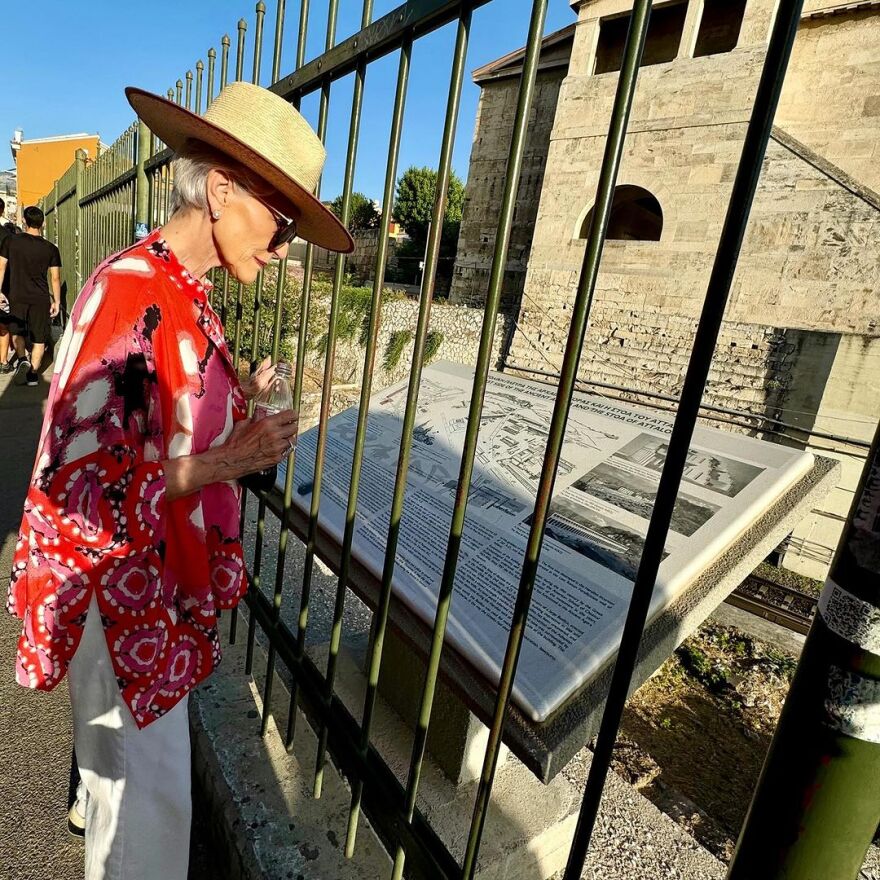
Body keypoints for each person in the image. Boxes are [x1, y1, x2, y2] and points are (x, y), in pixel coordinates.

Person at [6, 81, 353, 880]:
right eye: (282, 218)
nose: (282, 244)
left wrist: (246, 400)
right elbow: (82, 483)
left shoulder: (180, 292)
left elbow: (161, 419)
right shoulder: (134, 292)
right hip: (126, 603)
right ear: (223, 190)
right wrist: (239, 458)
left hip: (149, 597)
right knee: (146, 828)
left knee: (137, 806)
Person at [0, 205, 62, 385]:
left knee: (17, 330)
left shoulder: (10, 242)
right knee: (39, 337)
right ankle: (33, 374)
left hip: (16, 295)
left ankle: (21, 360)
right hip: (40, 298)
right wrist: (56, 301)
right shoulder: (51, 248)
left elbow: (1, 267)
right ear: (42, 223)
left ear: (25, 221)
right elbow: (55, 278)